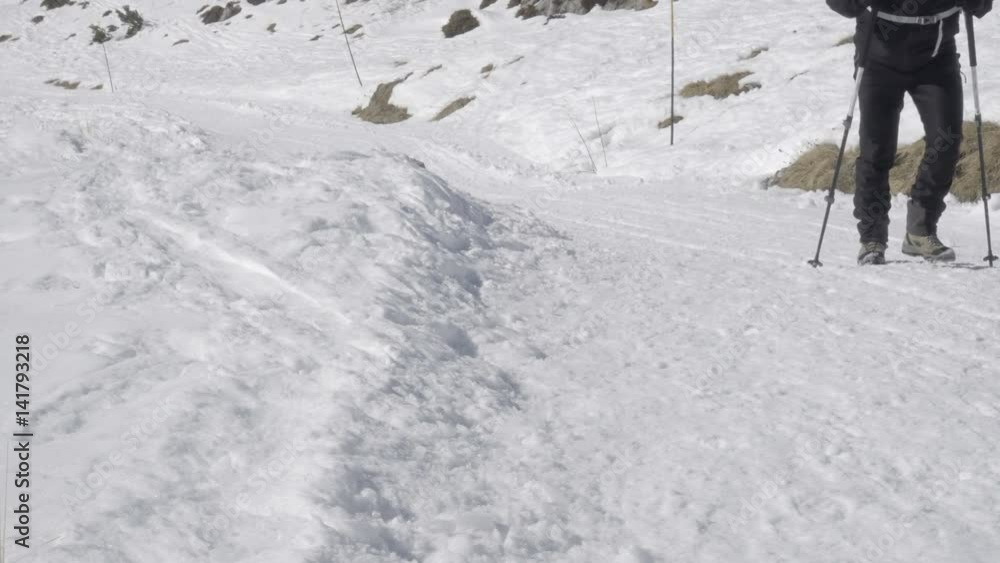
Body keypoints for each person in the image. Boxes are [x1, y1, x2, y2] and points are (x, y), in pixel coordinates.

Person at [826, 0, 993, 265]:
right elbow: (841, 5)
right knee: (877, 148)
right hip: (878, 57)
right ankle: (872, 238)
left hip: (936, 58)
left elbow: (983, 6)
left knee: (946, 140)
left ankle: (920, 230)